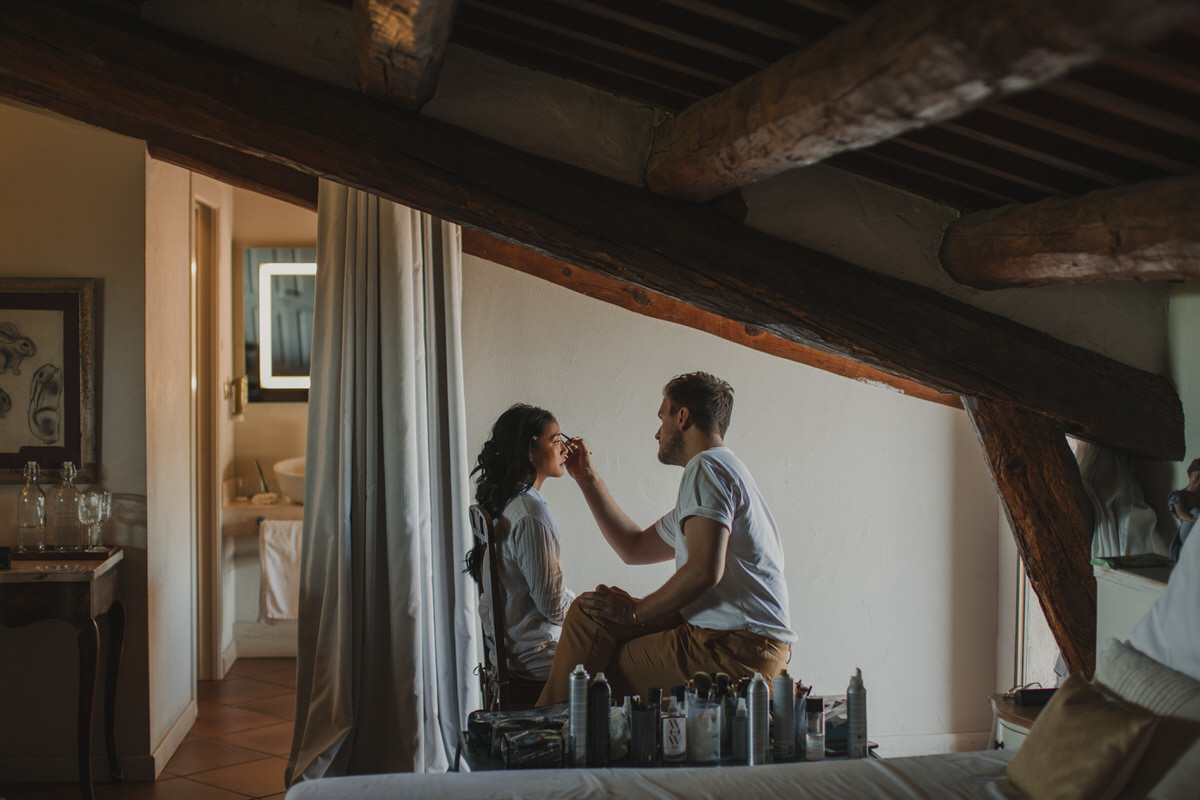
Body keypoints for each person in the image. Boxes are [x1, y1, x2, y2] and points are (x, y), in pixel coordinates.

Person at [536, 372, 795, 705]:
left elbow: (704, 570)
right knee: (589, 613)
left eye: (663, 417)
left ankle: (539, 735)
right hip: (728, 641)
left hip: (732, 652)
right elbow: (634, 547)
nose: (657, 432)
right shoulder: (722, 473)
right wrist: (588, 478)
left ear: (683, 417)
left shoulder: (706, 469)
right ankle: (545, 726)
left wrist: (635, 613)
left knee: (594, 673)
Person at [466, 404, 576, 680]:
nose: (565, 449)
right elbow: (553, 608)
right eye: (556, 440)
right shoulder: (531, 514)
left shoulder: (509, 502)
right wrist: (588, 606)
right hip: (534, 657)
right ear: (530, 450)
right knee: (625, 662)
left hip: (512, 649)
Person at [1167, 458, 1200, 563]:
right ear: (1190, 476)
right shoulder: (1179, 495)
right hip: (1188, 526)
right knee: (1195, 511)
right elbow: (1181, 514)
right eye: (1197, 477)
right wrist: (1196, 521)